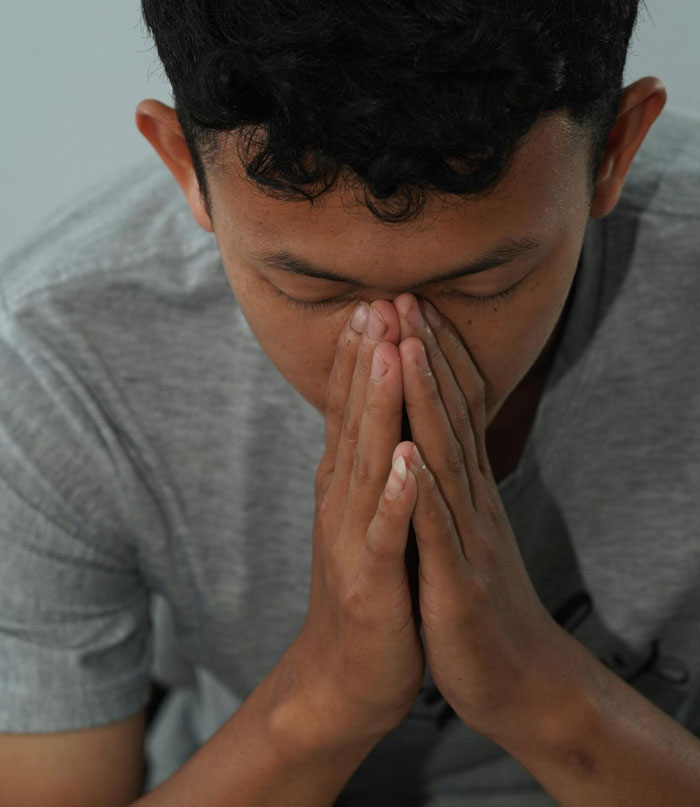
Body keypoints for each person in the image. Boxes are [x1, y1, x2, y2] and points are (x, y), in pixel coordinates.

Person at [1, 1, 699, 805]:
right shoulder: (59, 363)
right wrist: (324, 700)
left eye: (484, 281)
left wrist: (540, 695)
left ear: (614, 149)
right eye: (310, 285)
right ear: (183, 164)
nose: (399, 349)